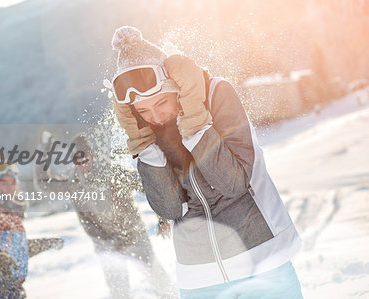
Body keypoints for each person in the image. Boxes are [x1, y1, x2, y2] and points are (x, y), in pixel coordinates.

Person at [110, 26, 304, 298]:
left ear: (176, 87)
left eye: (162, 102)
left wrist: (194, 123)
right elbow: (169, 207)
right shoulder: (147, 132)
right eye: (143, 111)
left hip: (260, 260)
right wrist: (143, 144)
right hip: (198, 277)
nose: (155, 116)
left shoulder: (216, 94)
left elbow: (234, 181)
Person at [34, 132, 176, 299]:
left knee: (159, 281)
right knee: (119, 292)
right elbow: (44, 185)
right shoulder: (73, 183)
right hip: (106, 244)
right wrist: (43, 150)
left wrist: (162, 218)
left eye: (84, 158)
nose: (81, 164)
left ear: (91, 155)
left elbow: (148, 185)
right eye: (76, 160)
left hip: (132, 236)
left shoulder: (113, 173)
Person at [0, 163, 63, 298]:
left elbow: (16, 250)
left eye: (13, 183)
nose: (10, 188)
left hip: (13, 284)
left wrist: (45, 243)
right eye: (4, 184)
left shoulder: (11, 213)